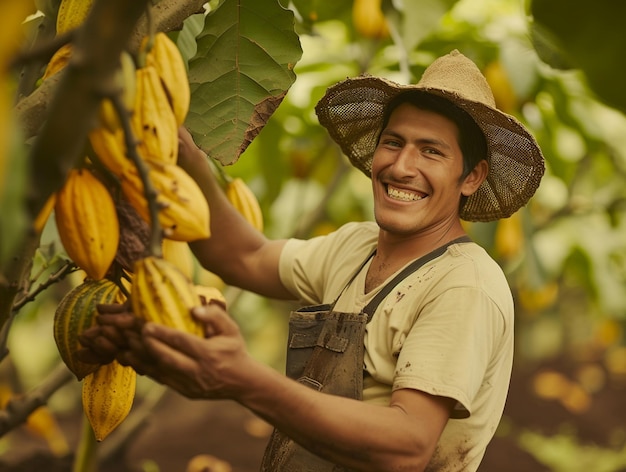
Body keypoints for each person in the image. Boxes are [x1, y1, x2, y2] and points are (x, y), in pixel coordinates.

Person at [79, 49, 545, 471]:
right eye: (393, 142)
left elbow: (407, 446)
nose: (402, 167)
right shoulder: (357, 247)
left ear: (471, 177)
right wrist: (183, 156)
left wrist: (242, 379)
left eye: (431, 151)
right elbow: (246, 256)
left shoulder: (463, 285)